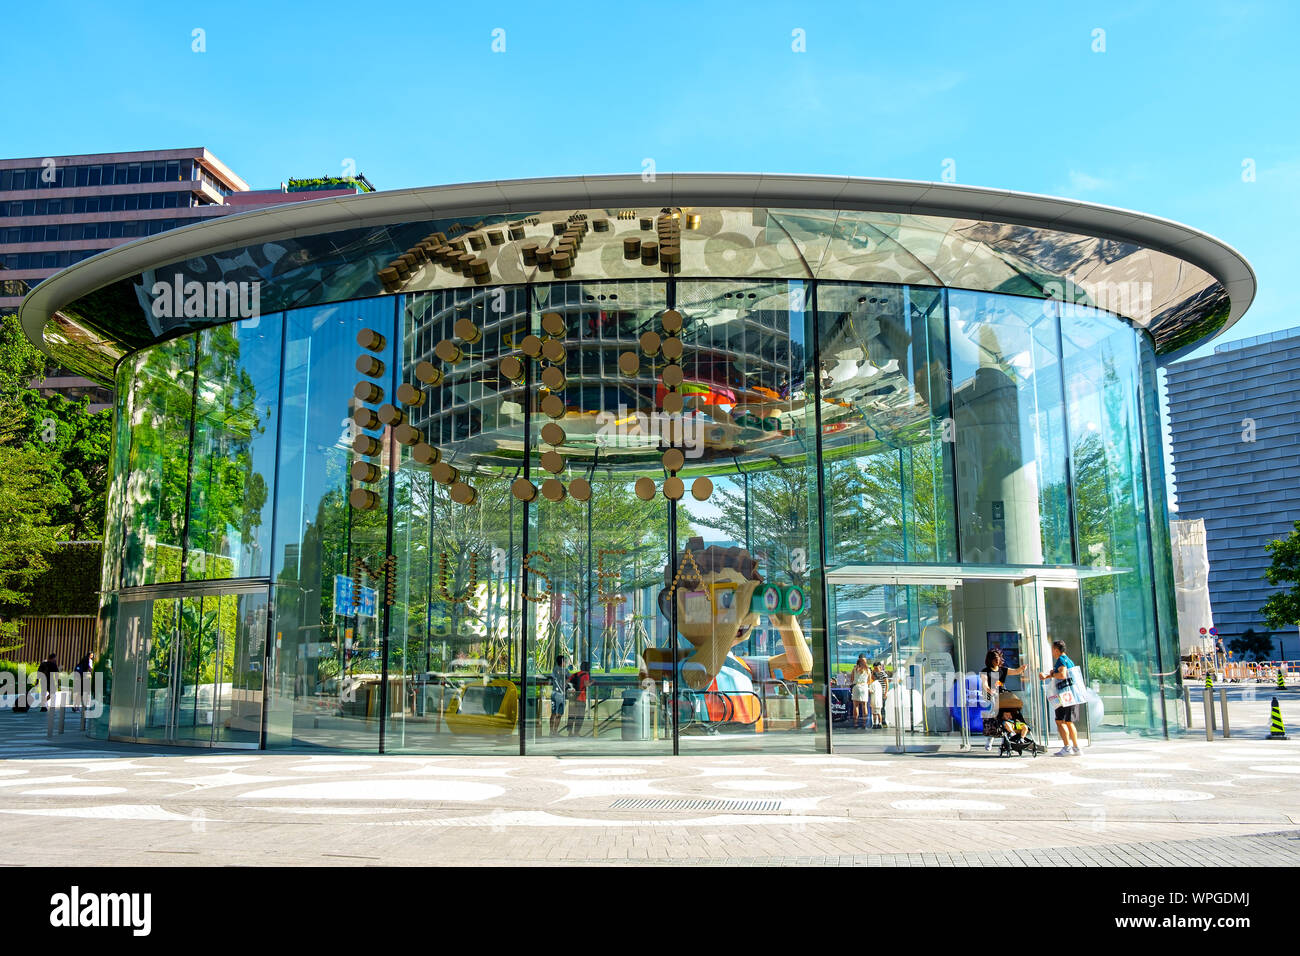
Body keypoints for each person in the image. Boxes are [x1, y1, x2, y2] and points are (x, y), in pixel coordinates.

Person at [980, 649, 1028, 750]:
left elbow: (1016, 671)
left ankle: (1006, 737)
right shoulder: (985, 671)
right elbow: (984, 683)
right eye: (995, 660)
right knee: (993, 714)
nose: (997, 662)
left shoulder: (1003, 670)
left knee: (1006, 713)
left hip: (1002, 695)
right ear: (990, 660)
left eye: (998, 659)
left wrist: (1022, 668)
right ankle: (990, 738)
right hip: (990, 695)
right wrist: (989, 690)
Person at [1039, 640, 1081, 756]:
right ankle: (1075, 747)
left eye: (1053, 650)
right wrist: (1051, 674)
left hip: (1065, 695)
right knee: (1067, 721)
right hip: (1070, 694)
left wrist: (1050, 675)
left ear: (1056, 650)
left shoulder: (1061, 660)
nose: (1052, 652)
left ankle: (1068, 747)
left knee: (1062, 721)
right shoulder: (1068, 660)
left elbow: (1062, 675)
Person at [567, 660, 592, 737]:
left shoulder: (575, 674)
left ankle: (570, 732)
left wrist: (572, 688)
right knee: (580, 715)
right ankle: (576, 732)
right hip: (581, 697)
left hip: (573, 697)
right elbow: (586, 684)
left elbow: (567, 681)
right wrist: (592, 682)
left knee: (571, 714)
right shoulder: (586, 675)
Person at [549, 654, 570, 736]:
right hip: (561, 694)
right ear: (562, 662)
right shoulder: (566, 671)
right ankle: (555, 731)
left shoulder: (554, 669)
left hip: (554, 693)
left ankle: (551, 731)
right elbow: (570, 679)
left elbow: (551, 679)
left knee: (553, 713)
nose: (566, 663)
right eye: (565, 661)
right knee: (559, 714)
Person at [849, 655, 871, 730]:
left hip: (856, 687)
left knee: (856, 706)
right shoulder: (868, 670)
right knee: (864, 706)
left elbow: (851, 679)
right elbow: (869, 680)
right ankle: (864, 723)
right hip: (864, 687)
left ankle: (855, 723)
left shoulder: (855, 669)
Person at [870, 661, 888, 729]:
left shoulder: (883, 674)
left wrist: (885, 693)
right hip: (876, 693)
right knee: (876, 709)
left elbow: (886, 683)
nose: (875, 669)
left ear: (880, 667)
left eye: (876, 668)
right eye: (874, 668)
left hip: (882, 693)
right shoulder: (874, 674)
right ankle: (876, 722)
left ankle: (883, 721)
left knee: (882, 708)